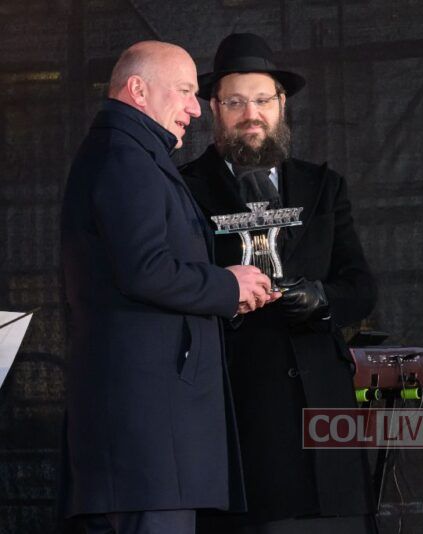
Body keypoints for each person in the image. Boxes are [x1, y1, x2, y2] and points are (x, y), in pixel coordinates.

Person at [59, 40, 280, 534]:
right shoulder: (125, 157)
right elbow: (144, 269)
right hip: (148, 437)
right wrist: (227, 285)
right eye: (183, 91)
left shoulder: (128, 153)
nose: (195, 109)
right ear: (138, 90)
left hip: (141, 436)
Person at [181, 33, 377, 533]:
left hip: (322, 408)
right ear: (213, 108)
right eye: (236, 102)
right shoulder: (182, 188)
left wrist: (322, 299)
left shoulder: (323, 186)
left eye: (263, 100)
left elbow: (360, 287)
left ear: (282, 104)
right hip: (236, 405)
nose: (252, 115)